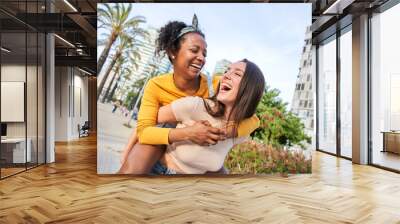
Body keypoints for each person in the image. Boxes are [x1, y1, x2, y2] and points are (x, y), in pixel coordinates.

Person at [118, 19, 259, 174]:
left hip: (198, 142)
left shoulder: (215, 84)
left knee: (221, 173)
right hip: (162, 133)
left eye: (204, 53)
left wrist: (230, 131)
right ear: (173, 52)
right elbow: (144, 129)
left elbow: (253, 119)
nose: (202, 58)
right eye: (194, 50)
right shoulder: (156, 85)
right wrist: (128, 150)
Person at [133, 59, 265, 174]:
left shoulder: (240, 132)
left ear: (250, 89)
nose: (225, 76)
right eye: (226, 71)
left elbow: (255, 120)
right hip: (159, 174)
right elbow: (146, 124)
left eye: (237, 74)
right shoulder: (195, 105)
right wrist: (187, 133)